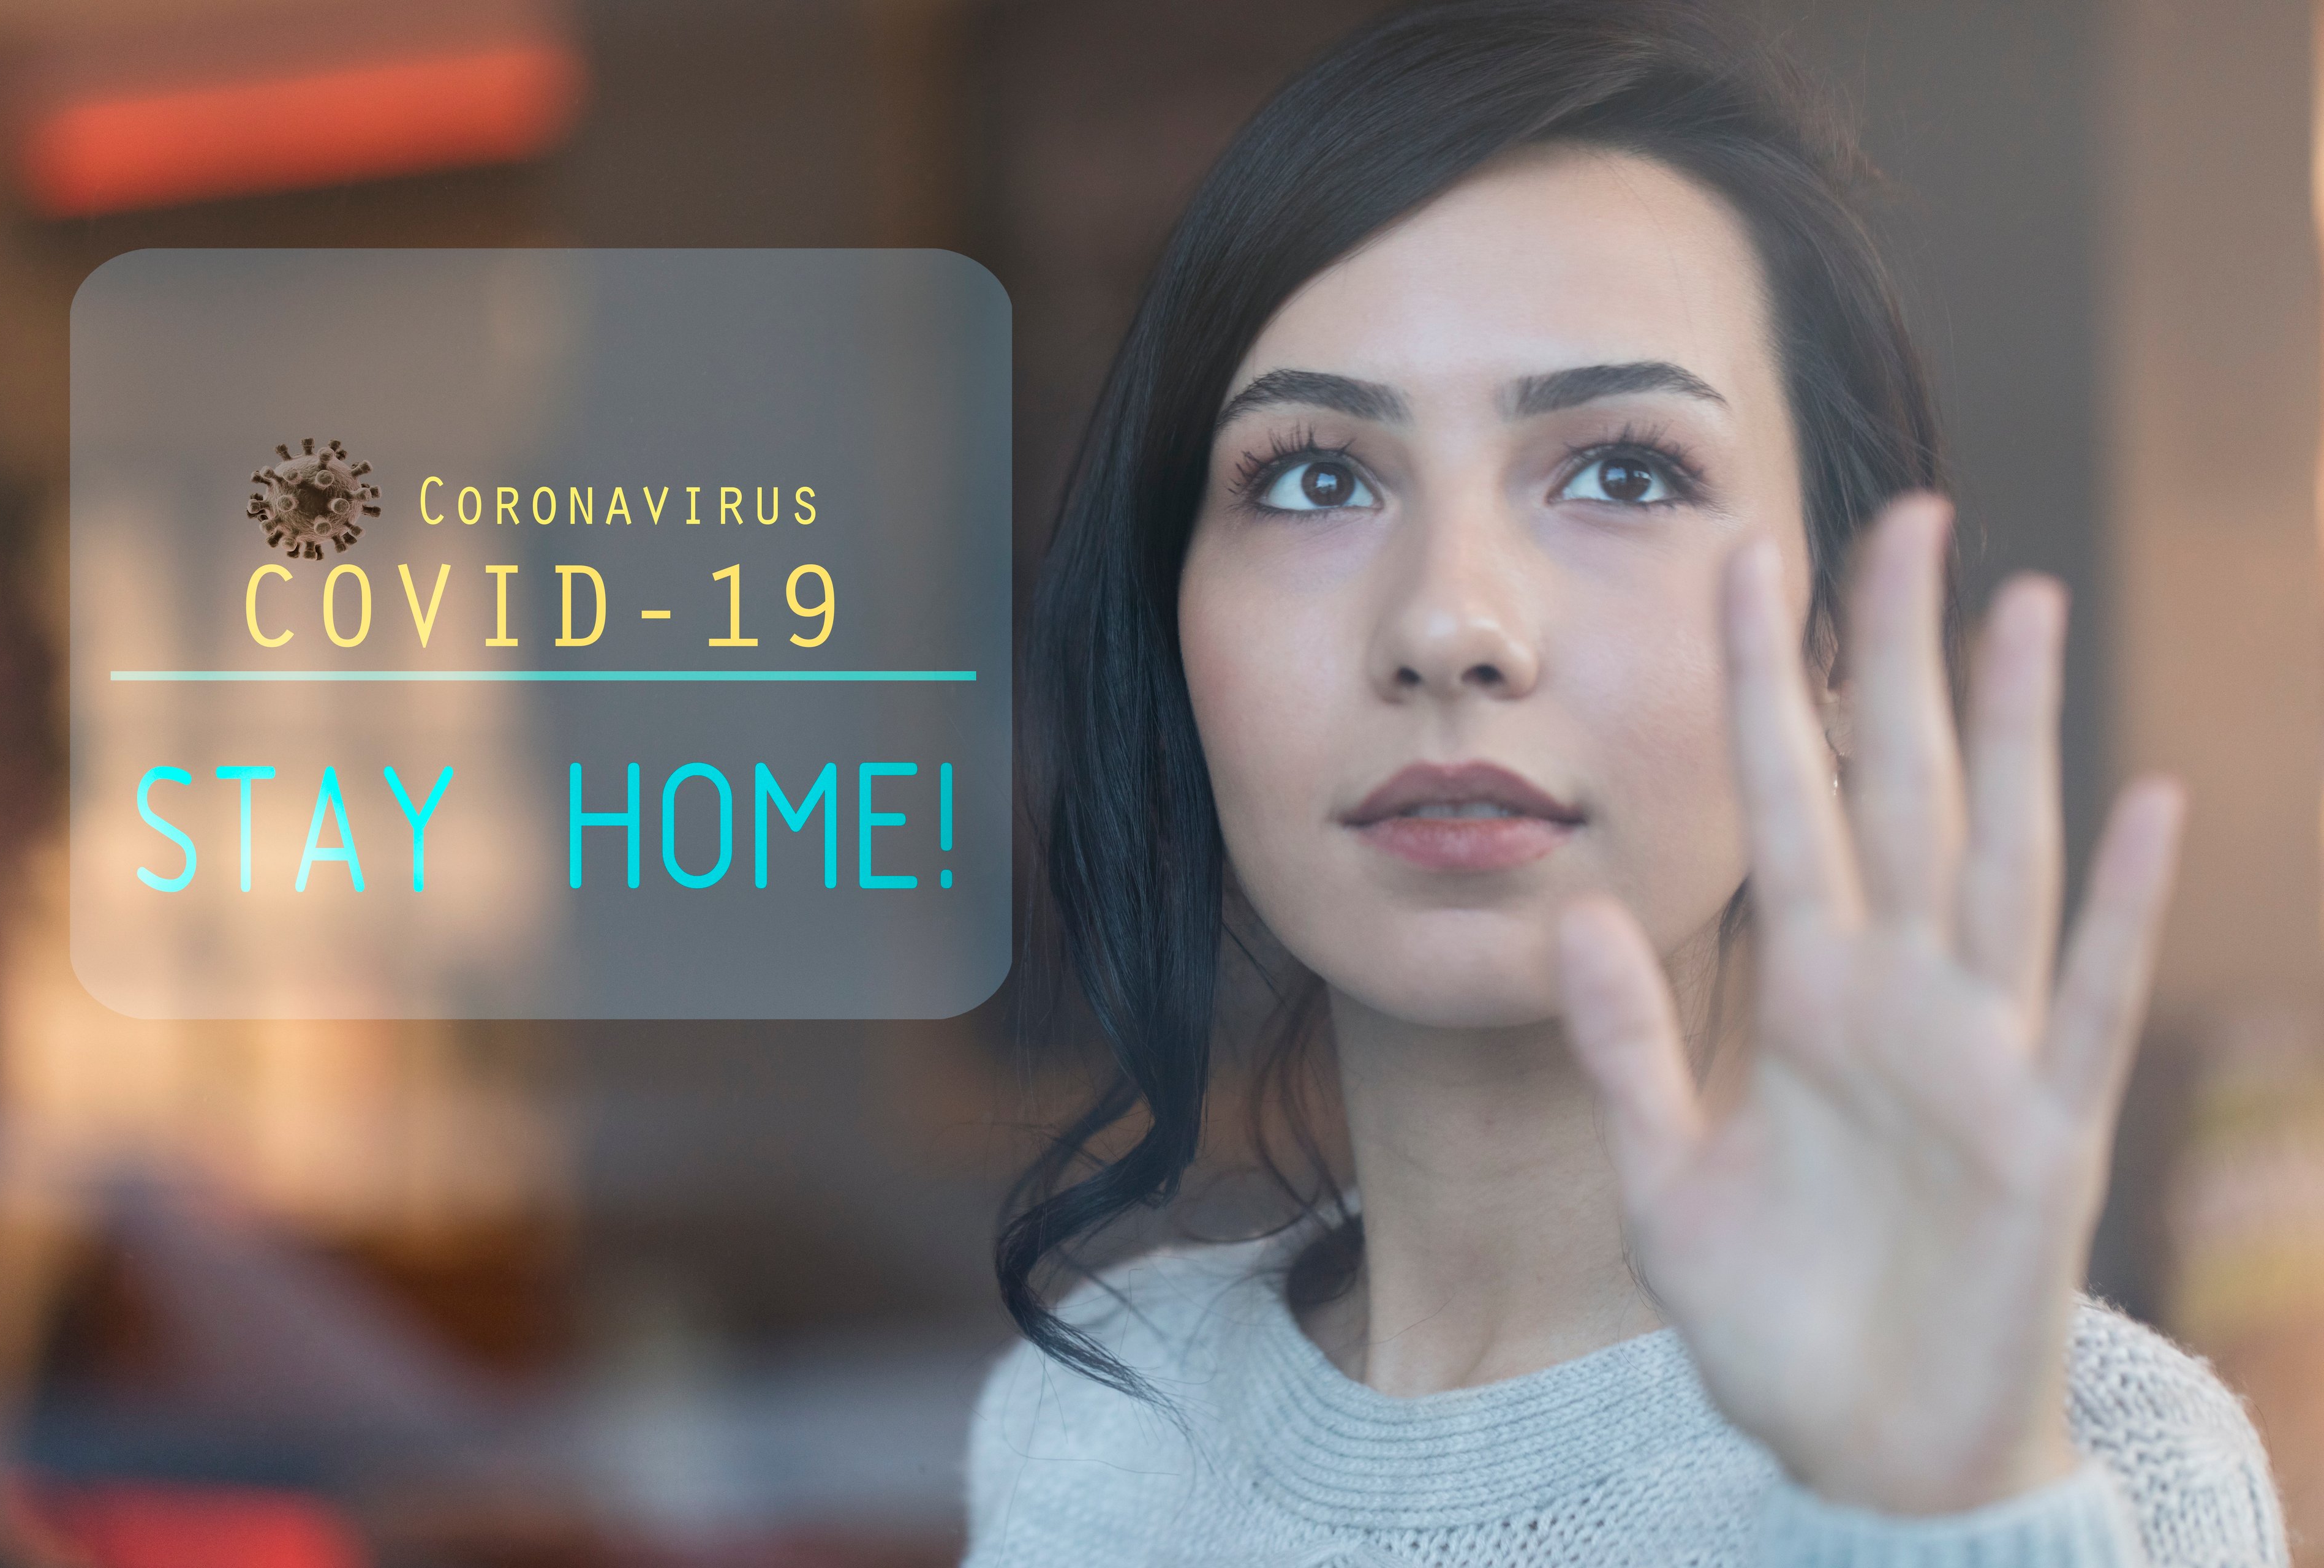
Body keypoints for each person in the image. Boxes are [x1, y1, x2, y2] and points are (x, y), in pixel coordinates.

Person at [964, 2, 2288, 1563]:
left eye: (1624, 471)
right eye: (1316, 477)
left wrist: (1949, 1512)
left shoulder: (2103, 1459)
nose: (1451, 622)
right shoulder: (1094, 1417)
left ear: (1838, 647)